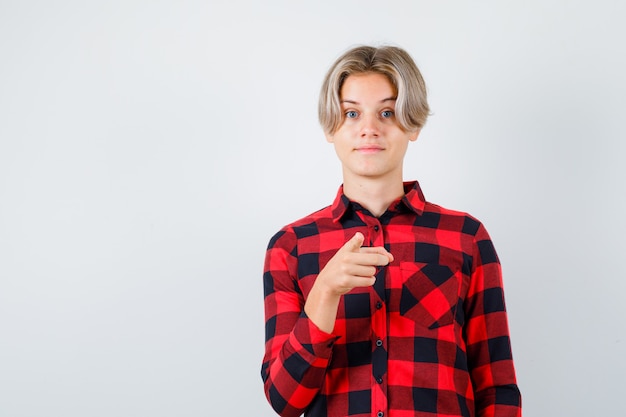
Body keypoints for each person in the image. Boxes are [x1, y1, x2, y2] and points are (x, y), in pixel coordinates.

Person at [261, 45, 521, 417]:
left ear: (412, 124)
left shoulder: (467, 237)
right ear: (330, 128)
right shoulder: (291, 247)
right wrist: (324, 294)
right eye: (351, 113)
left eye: (387, 112)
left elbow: (497, 389)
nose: (369, 128)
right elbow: (284, 401)